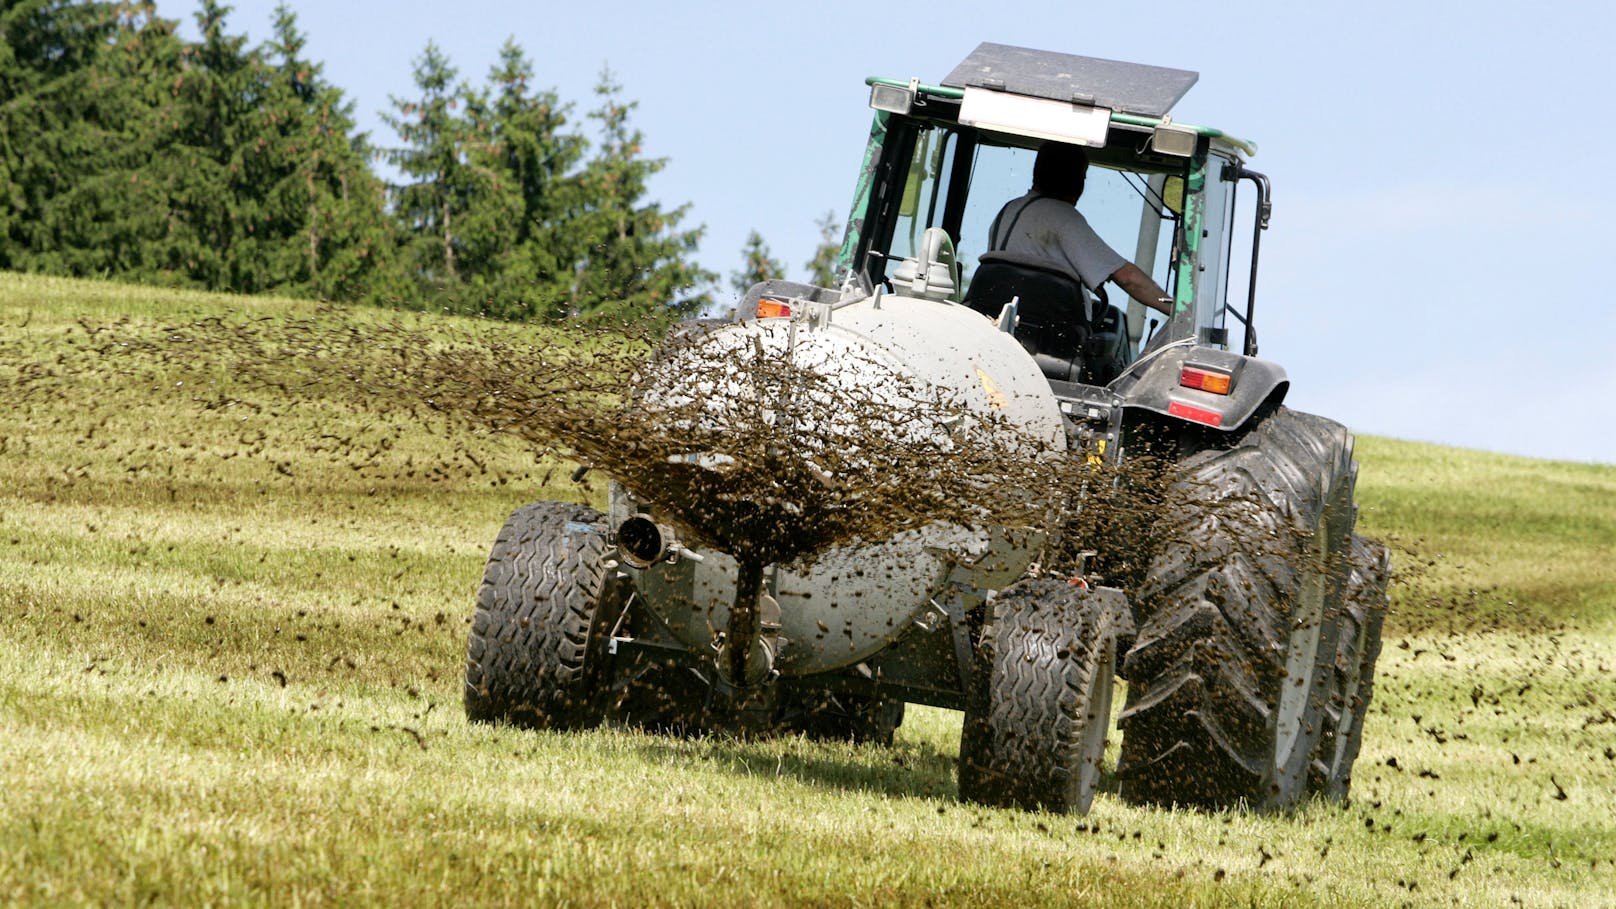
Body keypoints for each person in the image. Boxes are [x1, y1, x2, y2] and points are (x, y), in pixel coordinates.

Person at [985, 142, 1174, 318]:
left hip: (997, 314)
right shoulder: (1062, 216)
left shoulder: (1008, 209)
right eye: (1082, 177)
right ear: (1074, 181)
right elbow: (1128, 279)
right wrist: (1177, 311)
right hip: (1049, 330)